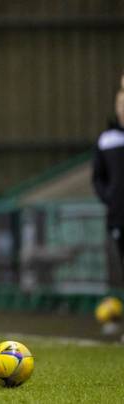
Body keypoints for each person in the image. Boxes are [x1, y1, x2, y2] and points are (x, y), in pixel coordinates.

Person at [92, 82, 124, 289]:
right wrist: (110, 198)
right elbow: (98, 178)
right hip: (119, 217)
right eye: (121, 103)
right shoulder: (106, 140)